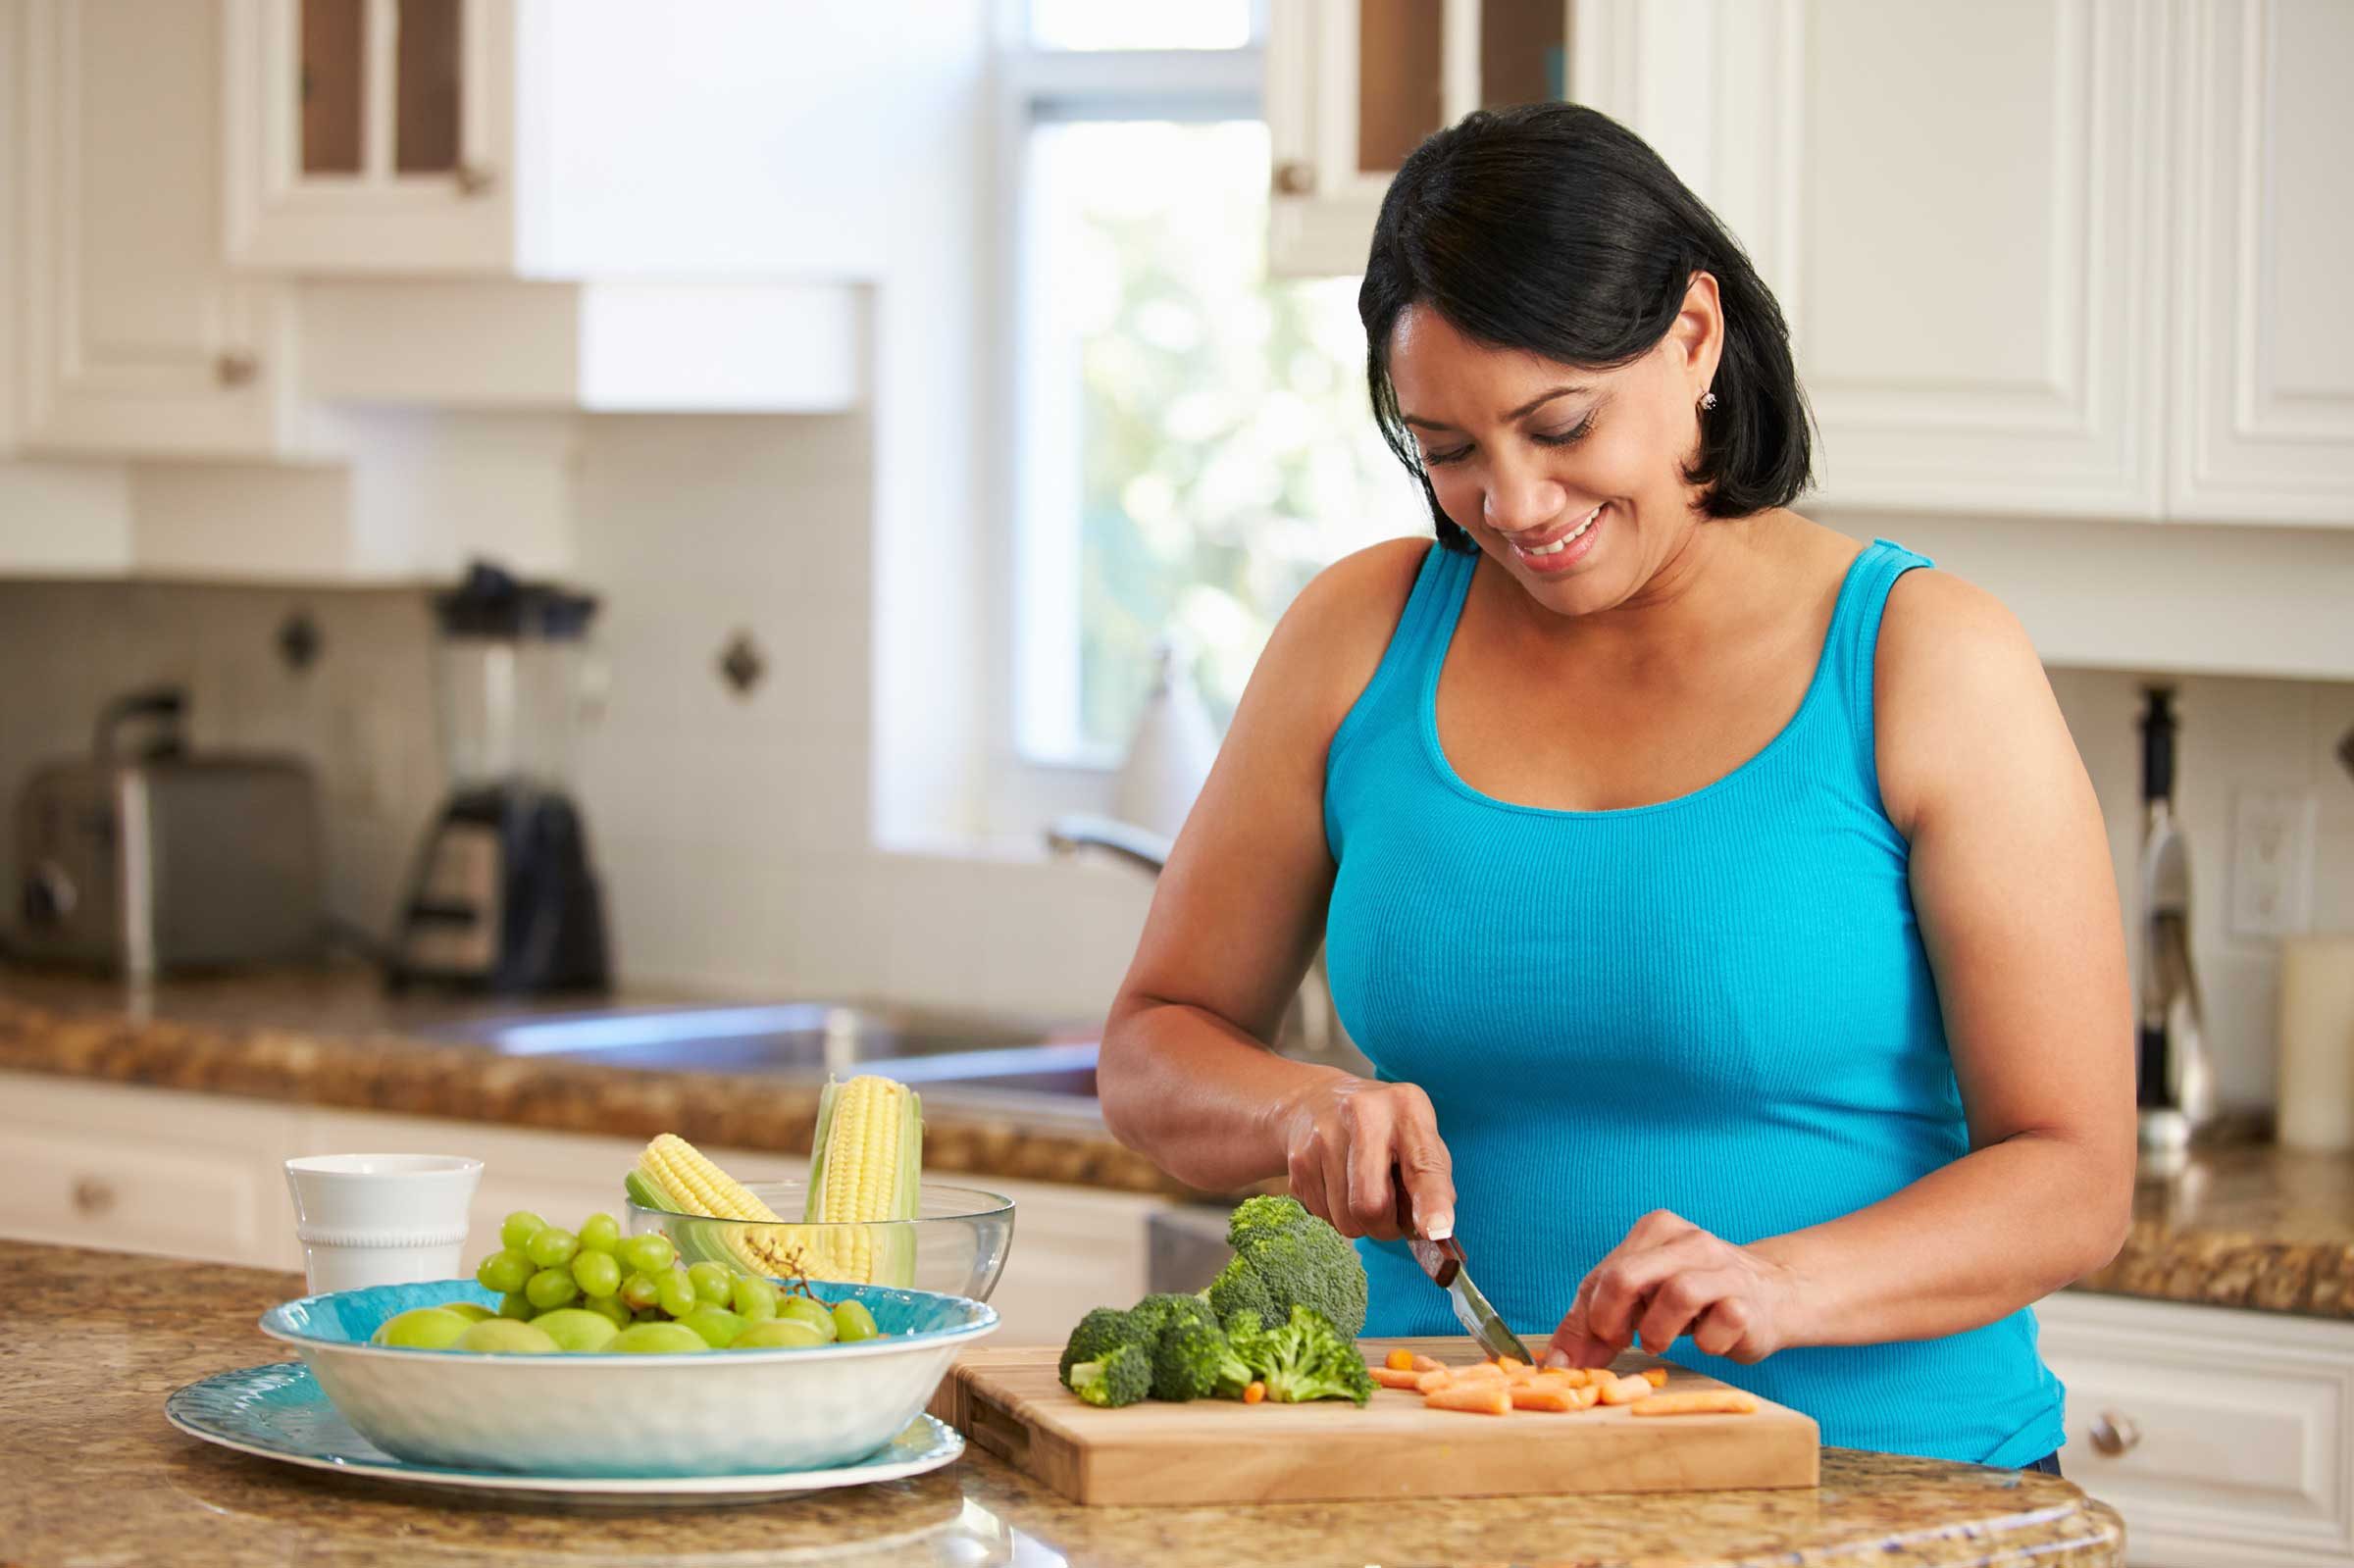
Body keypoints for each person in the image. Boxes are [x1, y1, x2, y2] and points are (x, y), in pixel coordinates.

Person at [1095, 102, 2132, 1472]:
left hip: (1877, 1485)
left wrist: (1785, 1285)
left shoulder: (1924, 660)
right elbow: (1153, 1044)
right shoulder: (1360, 636)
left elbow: (2074, 1175)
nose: (1514, 504)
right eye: (1449, 449)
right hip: (1438, 1476)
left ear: (1694, 336)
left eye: (1560, 425)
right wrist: (1296, 1106)